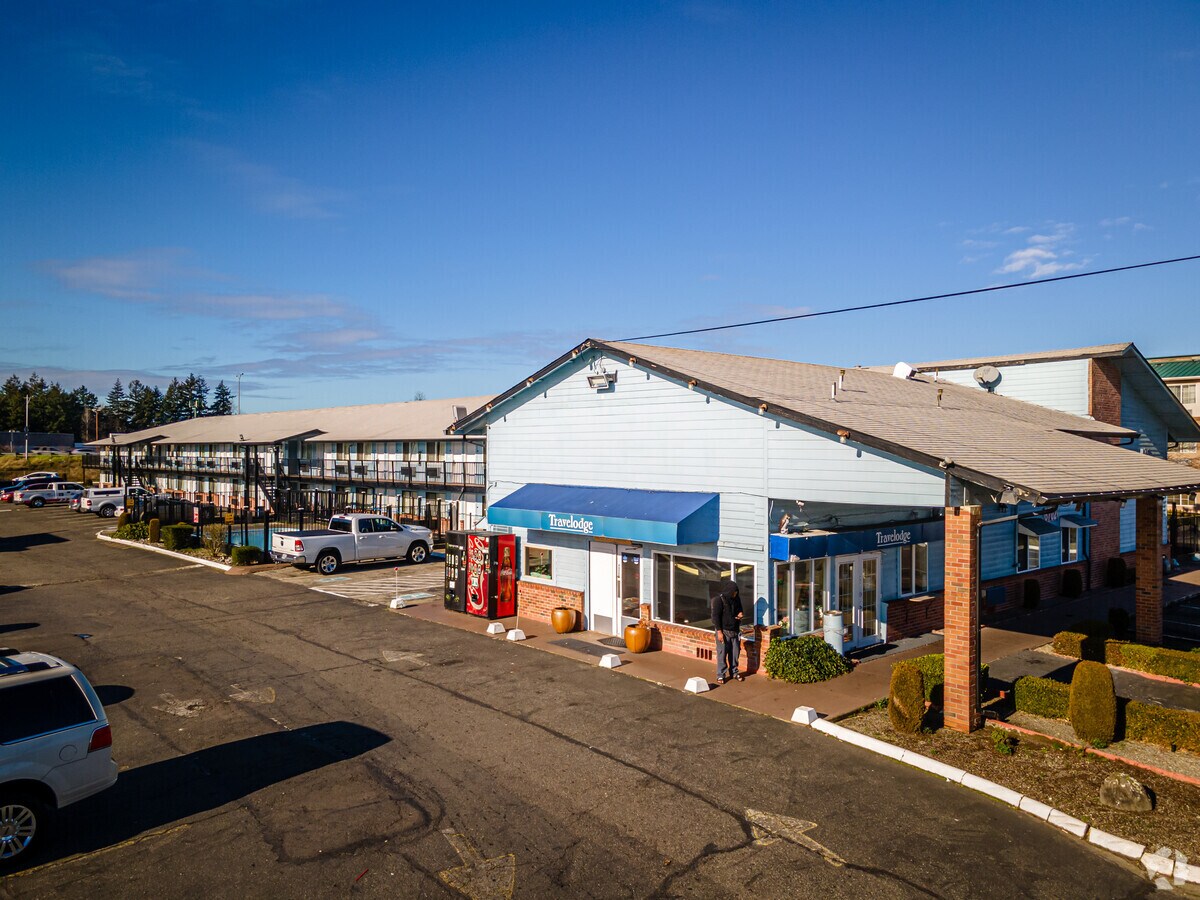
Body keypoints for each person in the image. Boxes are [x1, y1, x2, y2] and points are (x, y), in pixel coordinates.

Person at [710, 579, 744, 684]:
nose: (735, 595)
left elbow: (740, 609)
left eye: (736, 593)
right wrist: (719, 632)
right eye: (733, 593)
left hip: (735, 630)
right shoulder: (719, 600)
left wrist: (740, 614)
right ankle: (721, 675)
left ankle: (734, 672)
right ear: (729, 591)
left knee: (735, 654)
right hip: (723, 631)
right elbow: (715, 617)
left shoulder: (736, 599)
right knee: (722, 653)